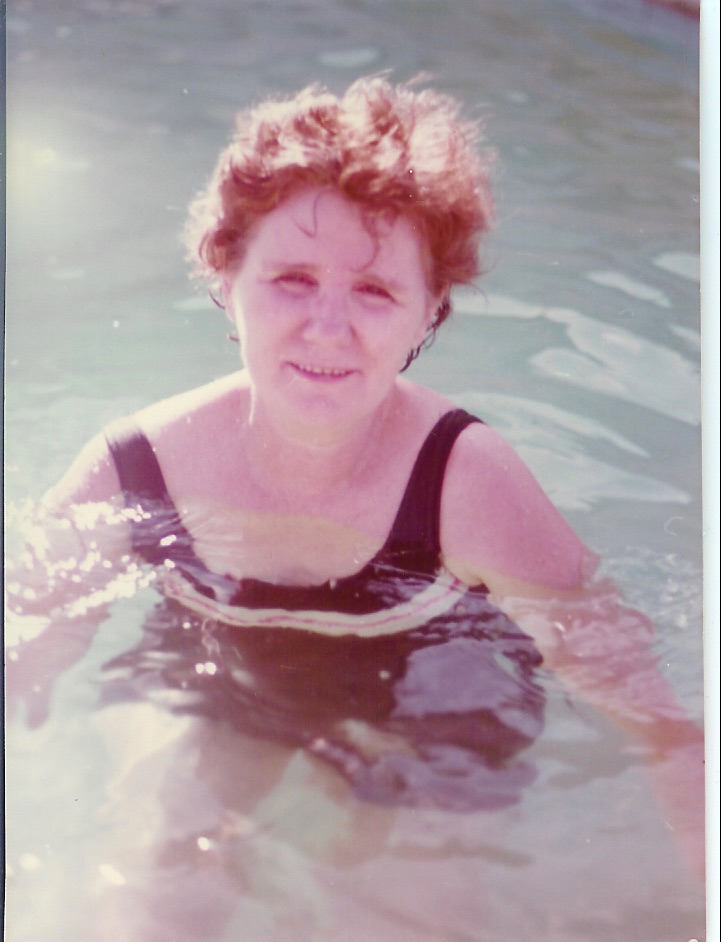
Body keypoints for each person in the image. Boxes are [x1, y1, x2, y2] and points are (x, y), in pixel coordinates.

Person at [6, 78, 705, 871]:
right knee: (153, 877)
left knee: (407, 906)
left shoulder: (465, 483)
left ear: (430, 308)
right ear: (227, 275)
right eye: (292, 279)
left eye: (373, 290)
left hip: (434, 693)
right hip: (219, 676)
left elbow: (641, 699)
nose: (327, 328)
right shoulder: (136, 467)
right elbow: (24, 631)